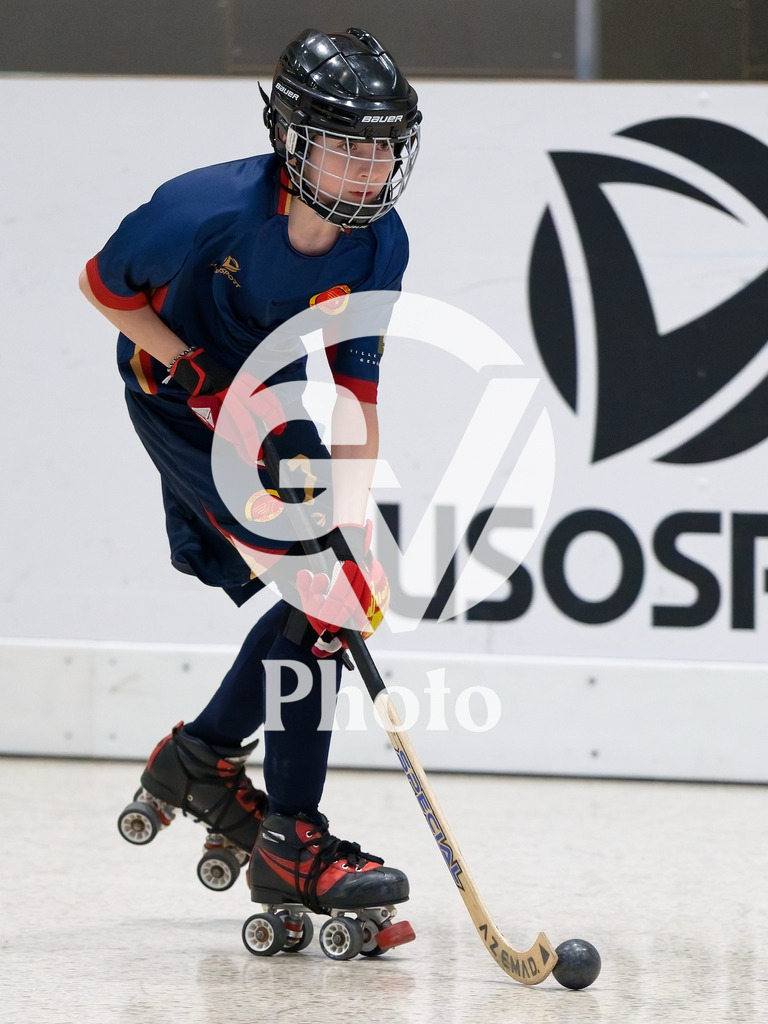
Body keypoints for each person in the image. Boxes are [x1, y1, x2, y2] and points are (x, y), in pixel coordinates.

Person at [79, 27, 421, 925]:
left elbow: (355, 392)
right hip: (178, 402)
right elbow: (101, 287)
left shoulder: (379, 244)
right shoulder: (204, 211)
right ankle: (291, 839)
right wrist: (187, 364)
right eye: (350, 145)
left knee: (333, 584)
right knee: (319, 598)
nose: (371, 169)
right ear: (296, 142)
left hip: (270, 395)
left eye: (385, 147)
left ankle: (202, 757)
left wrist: (351, 524)